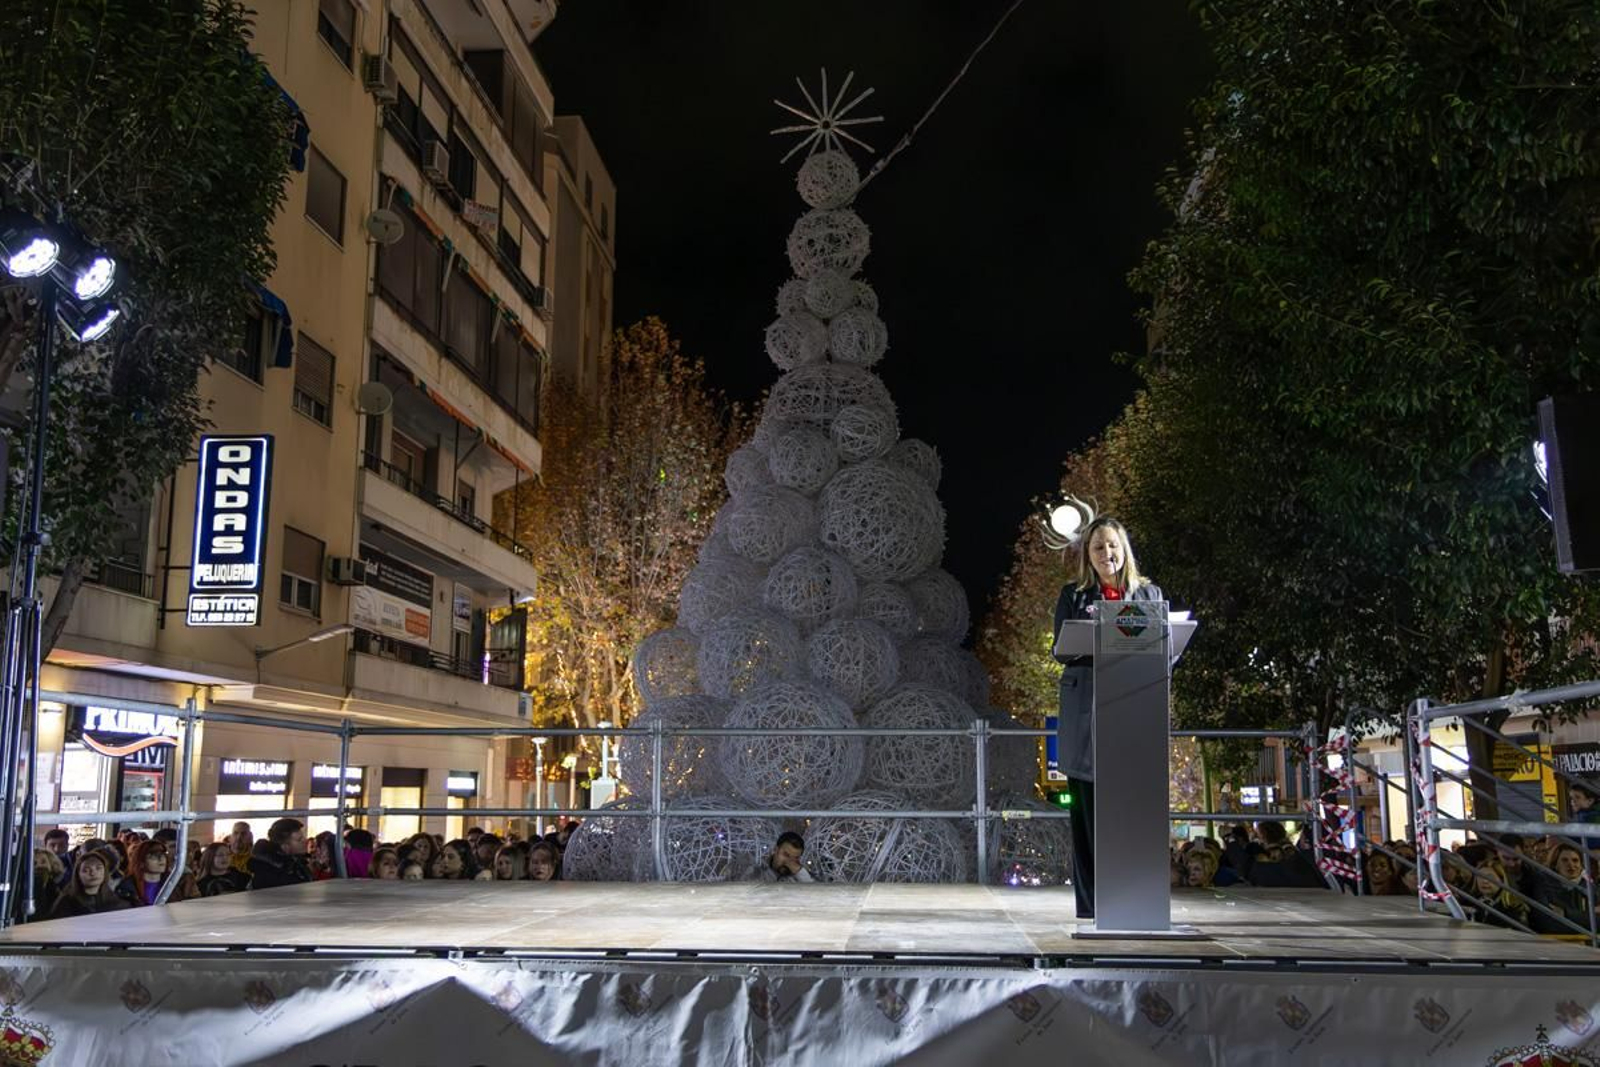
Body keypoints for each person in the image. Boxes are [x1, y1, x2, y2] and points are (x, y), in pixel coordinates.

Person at [1051, 516, 1166, 921]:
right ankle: (1091, 905)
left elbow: (1163, 645)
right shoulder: (1073, 595)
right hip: (1086, 710)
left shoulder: (1149, 594)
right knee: (1087, 810)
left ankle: (1134, 899)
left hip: (1133, 709)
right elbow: (1061, 649)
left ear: (1124, 549)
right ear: (1088, 554)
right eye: (1098, 547)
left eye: (1112, 545)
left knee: (1130, 808)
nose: (1106, 553)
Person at [48, 850, 130, 919]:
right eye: (86, 870)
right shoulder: (66, 902)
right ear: (78, 875)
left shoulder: (114, 900)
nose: (93, 873)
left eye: (98, 868)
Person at [248, 818, 311, 891]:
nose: (305, 841)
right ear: (284, 846)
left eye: (304, 837)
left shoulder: (295, 863)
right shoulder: (269, 873)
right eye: (299, 839)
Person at [749, 831, 814, 883]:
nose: (789, 862)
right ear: (775, 850)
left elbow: (813, 892)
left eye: (795, 858)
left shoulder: (801, 878)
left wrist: (800, 873)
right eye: (786, 855)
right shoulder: (756, 873)